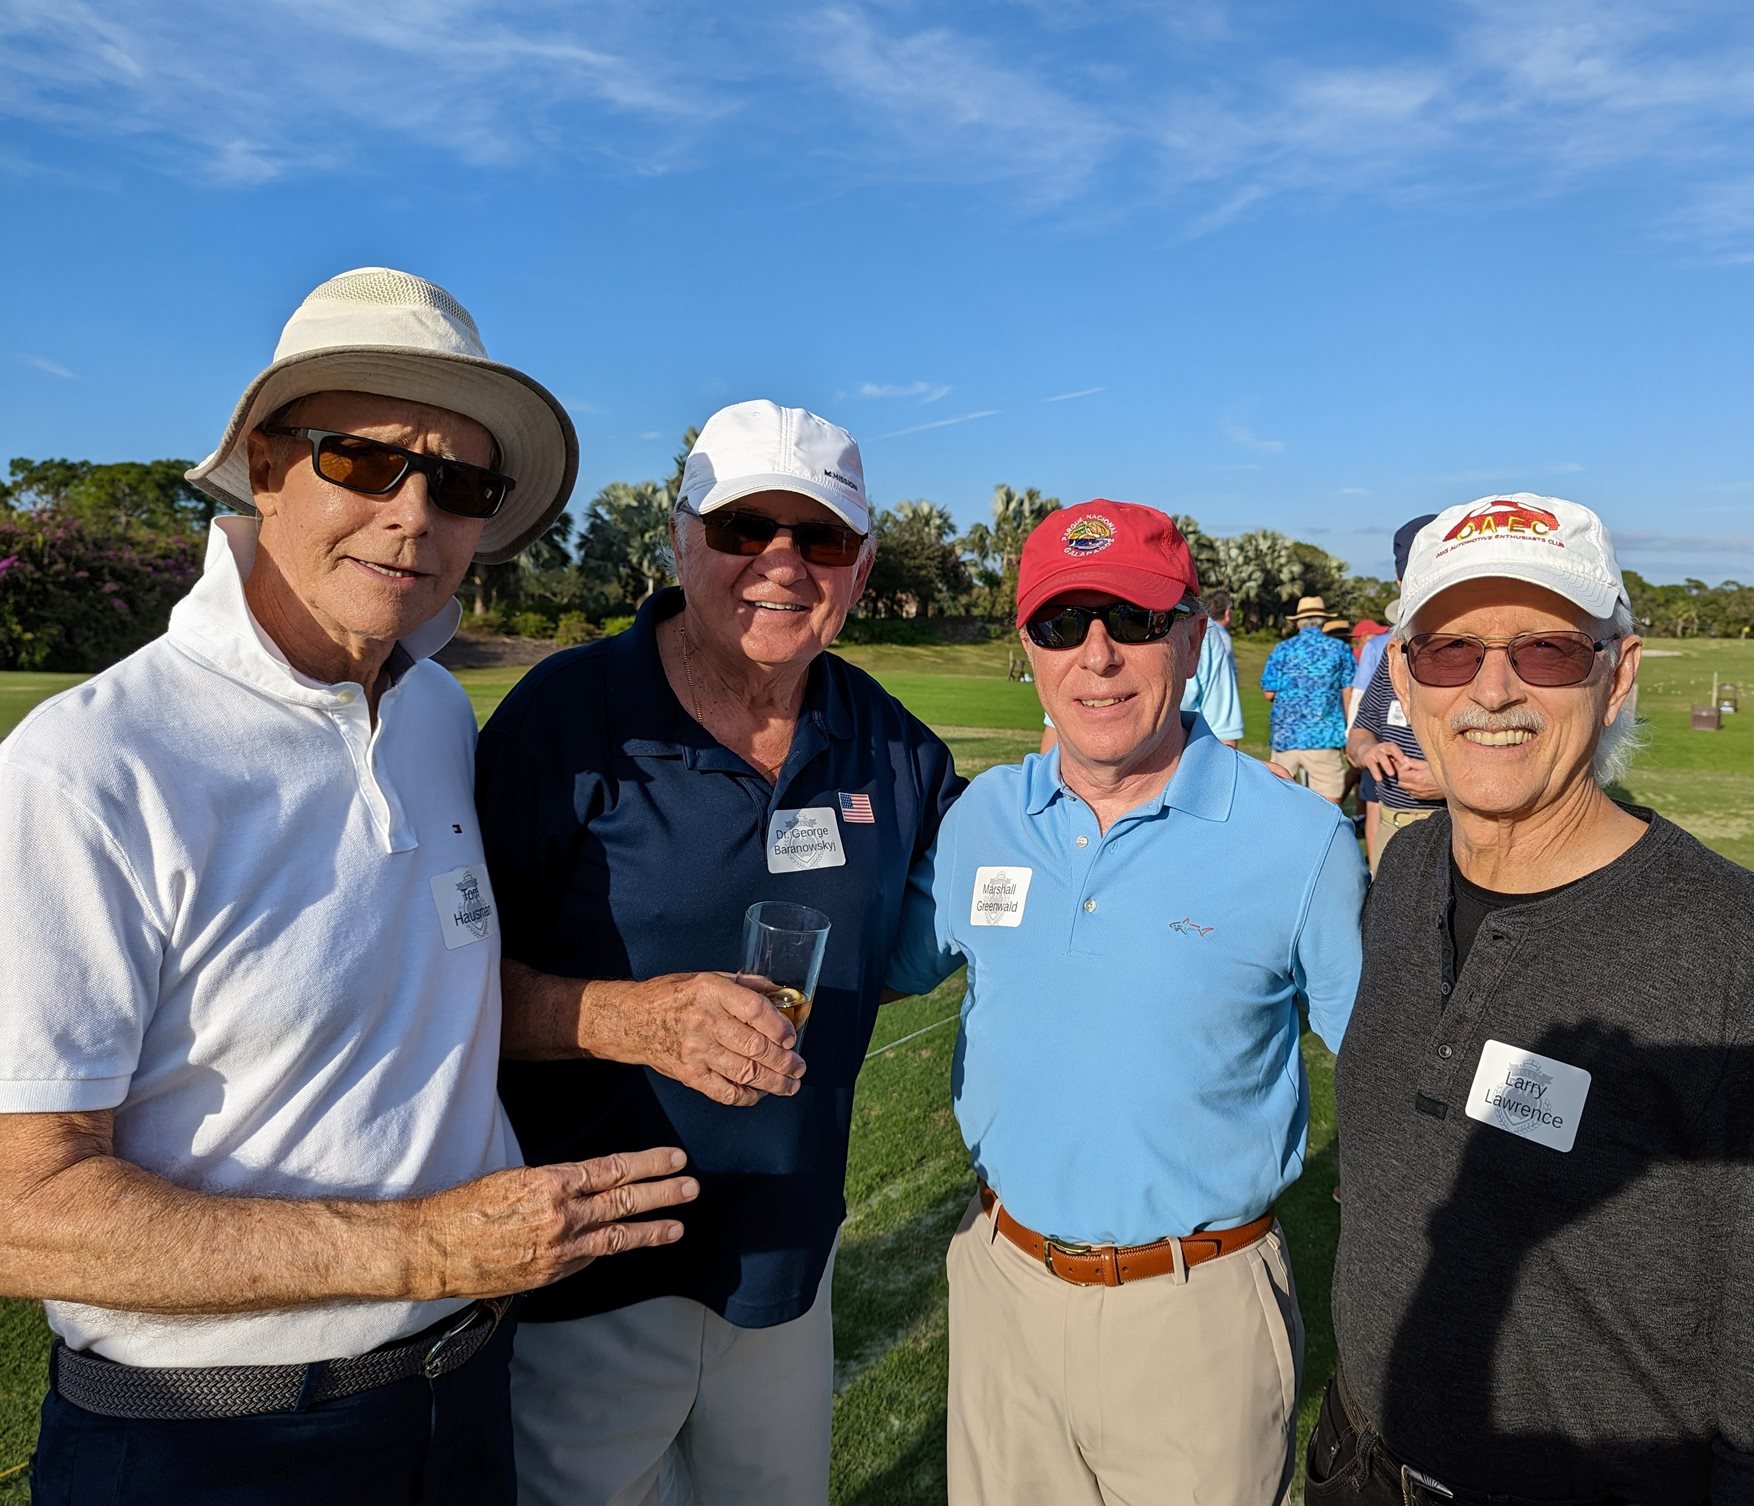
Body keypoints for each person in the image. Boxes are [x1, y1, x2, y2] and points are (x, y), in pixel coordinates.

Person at [0, 267, 698, 1505]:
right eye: (363, 462)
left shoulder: (432, 710)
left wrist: (620, 1016)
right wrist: (425, 1243)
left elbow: (419, 986)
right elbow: (23, 1209)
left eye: (459, 484)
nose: (413, 514)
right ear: (265, 468)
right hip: (214, 1443)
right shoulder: (93, 765)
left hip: (464, 1389)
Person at [1307, 492, 1754, 1505]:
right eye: (1448, 652)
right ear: (1401, 675)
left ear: (1616, 673)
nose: (1490, 690)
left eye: (1544, 651)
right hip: (1353, 1462)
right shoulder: (1400, 879)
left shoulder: (1733, 951)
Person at [475, 398, 965, 1506]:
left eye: (819, 537)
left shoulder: (885, 738)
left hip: (788, 1259)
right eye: (745, 529)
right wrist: (625, 1017)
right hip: (589, 1265)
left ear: (862, 563)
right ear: (680, 535)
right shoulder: (567, 718)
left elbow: (992, 872)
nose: (779, 564)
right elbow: (427, 988)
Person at [891, 500, 1368, 1506]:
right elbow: (886, 963)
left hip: (1194, 1314)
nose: (1095, 655)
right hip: (1000, 1290)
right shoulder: (984, 818)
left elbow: (1379, 1062)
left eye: (1132, 619)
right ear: (1028, 648)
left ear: (1190, 637)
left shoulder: (1300, 842)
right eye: (1061, 625)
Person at [1038, 552, 1241, 754]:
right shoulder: (1014, 785)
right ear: (1027, 643)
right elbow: (1055, 730)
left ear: (1192, 641)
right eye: (1061, 626)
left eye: (1137, 620)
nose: (1097, 659)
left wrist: (1247, 780)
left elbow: (1223, 734)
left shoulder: (1210, 642)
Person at [1347, 515, 1439, 865]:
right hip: (1392, 826)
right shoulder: (1396, 652)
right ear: (1401, 583)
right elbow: (1359, 733)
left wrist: (1452, 785)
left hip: (1458, 829)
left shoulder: (1489, 651)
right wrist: (1368, 750)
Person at [1259, 595, 1357, 798]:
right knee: (1329, 804)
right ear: (1323, 621)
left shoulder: (1282, 649)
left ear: (1298, 622)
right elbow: (1349, 691)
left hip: (1286, 738)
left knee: (1280, 801)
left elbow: (1269, 692)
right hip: (1324, 736)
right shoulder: (1339, 649)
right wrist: (1350, 728)